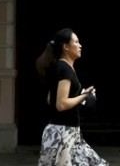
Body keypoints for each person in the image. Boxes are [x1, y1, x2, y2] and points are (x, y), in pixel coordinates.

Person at [35, 28, 108, 166]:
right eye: (76, 42)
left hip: (69, 132)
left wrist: (81, 95)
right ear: (66, 47)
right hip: (62, 134)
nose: (80, 45)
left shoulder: (61, 67)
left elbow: (50, 99)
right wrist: (85, 95)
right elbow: (61, 104)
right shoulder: (64, 69)